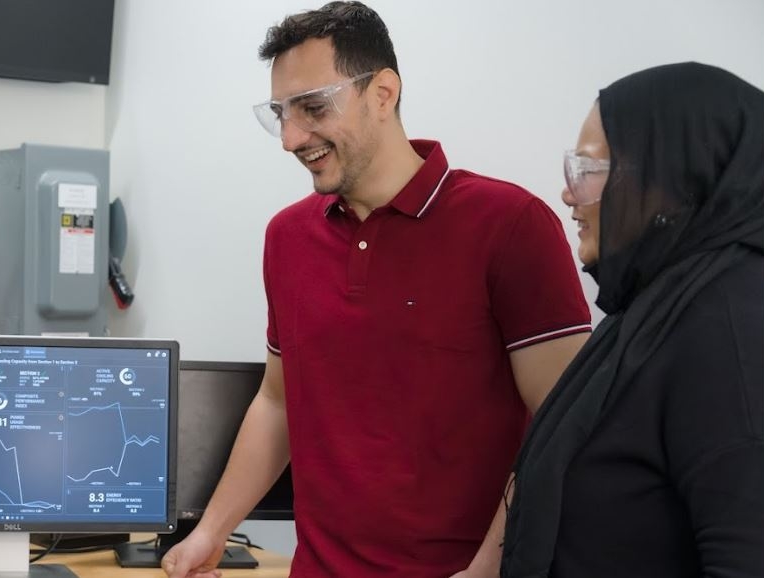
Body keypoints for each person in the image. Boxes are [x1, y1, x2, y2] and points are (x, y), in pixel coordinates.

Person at [162, 3, 592, 577]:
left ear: (383, 93)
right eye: (280, 114)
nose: (291, 138)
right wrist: (209, 533)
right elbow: (276, 401)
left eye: (313, 108)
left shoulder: (511, 224)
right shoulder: (286, 237)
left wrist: (488, 568)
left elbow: (564, 419)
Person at [501, 62, 764, 577]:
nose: (569, 195)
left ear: (673, 176)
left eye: (590, 170)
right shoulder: (656, 309)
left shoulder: (730, 327)